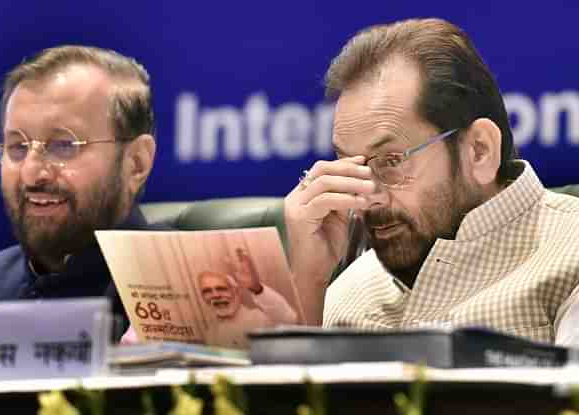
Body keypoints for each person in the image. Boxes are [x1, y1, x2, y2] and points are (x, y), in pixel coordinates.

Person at [284, 18, 579, 344]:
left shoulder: (570, 254)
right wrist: (308, 281)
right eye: (350, 167)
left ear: (479, 151)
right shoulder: (347, 290)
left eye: (391, 161)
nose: (368, 197)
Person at [0, 45, 163, 328]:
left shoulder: (180, 286)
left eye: (63, 145)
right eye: (17, 147)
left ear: (136, 162)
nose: (31, 173)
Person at [197, 248, 298, 348]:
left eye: (221, 289)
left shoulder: (259, 317)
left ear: (236, 291)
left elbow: (289, 319)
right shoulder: (211, 332)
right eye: (207, 291)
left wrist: (256, 288)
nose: (215, 295)